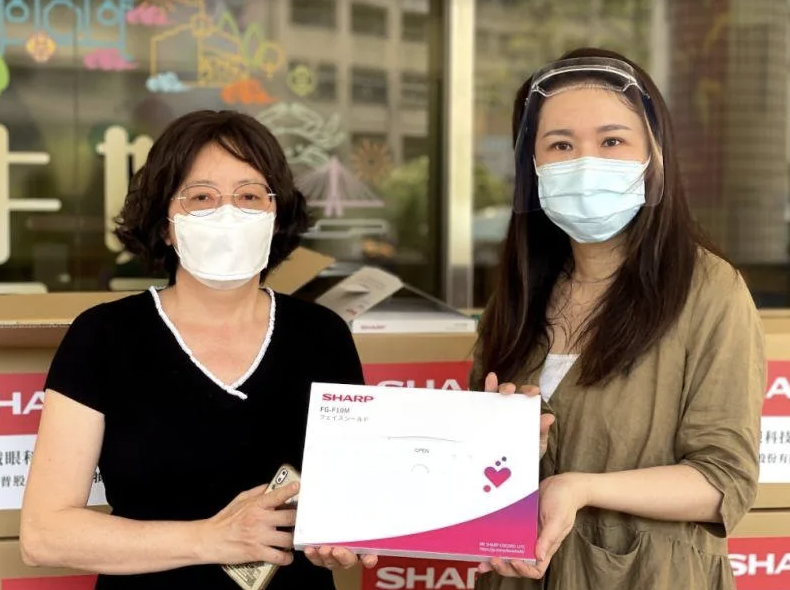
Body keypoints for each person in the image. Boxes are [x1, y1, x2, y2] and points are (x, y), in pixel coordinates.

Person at [19, 110, 367, 590]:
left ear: (275, 216)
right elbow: (44, 536)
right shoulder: (104, 336)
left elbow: (349, 506)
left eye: (249, 196)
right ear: (165, 223)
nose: (228, 214)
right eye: (202, 197)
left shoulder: (323, 336)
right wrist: (211, 539)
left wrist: (341, 541)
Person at [469, 48, 766, 589]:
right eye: (560, 145)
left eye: (611, 141)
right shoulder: (517, 296)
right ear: (531, 167)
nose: (585, 164)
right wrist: (508, 444)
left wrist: (581, 488)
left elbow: (724, 482)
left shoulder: (709, 290)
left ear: (654, 155)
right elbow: (478, 475)